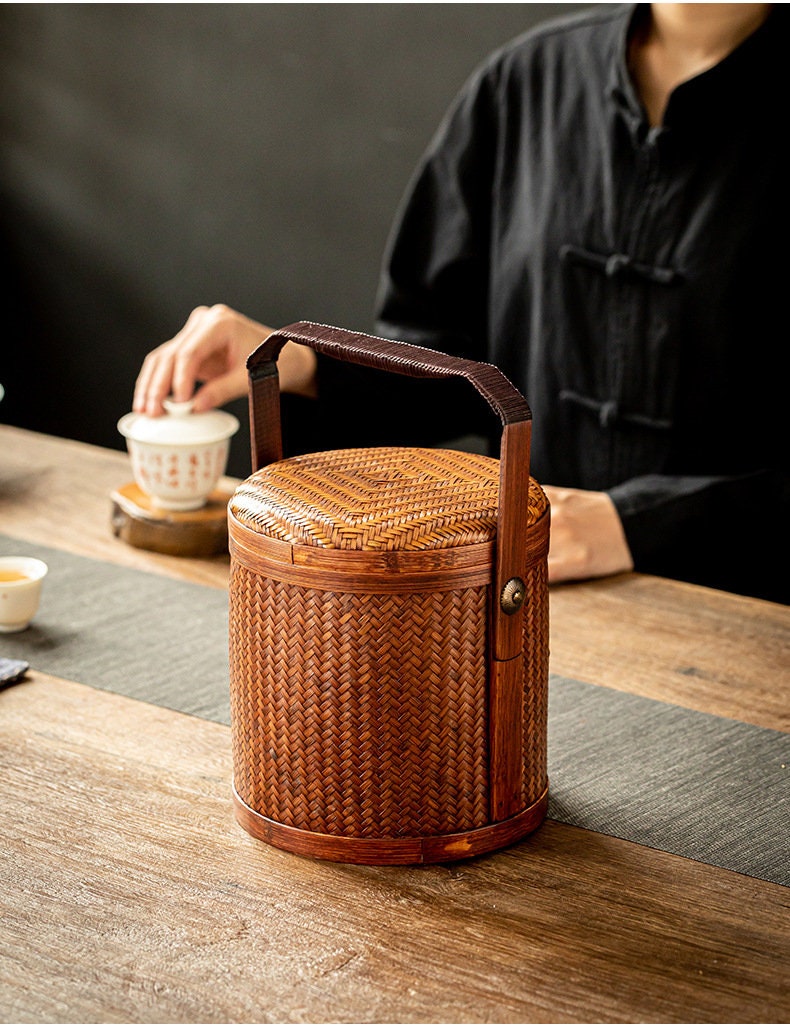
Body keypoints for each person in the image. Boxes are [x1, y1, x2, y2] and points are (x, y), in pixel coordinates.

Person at [133, 3, 788, 604]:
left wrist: (640, 525)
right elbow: (453, 369)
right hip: (527, 593)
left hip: (749, 612)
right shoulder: (526, 83)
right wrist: (303, 363)